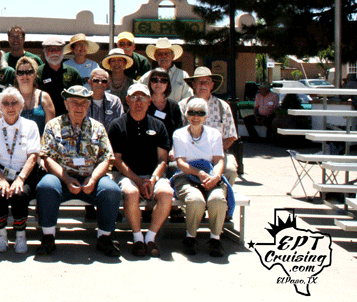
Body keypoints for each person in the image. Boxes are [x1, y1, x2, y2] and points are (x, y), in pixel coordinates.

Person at [35, 86, 121, 257]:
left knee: (112, 190)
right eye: (74, 103)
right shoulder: (53, 125)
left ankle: (104, 237)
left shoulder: (98, 127)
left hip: (91, 178)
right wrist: (66, 179)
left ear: (88, 105)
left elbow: (106, 158)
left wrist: (94, 179)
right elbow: (47, 158)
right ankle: (48, 237)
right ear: (66, 104)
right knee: (45, 186)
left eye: (83, 103)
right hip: (62, 179)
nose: (79, 107)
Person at [107, 84, 173, 258]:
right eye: (134, 97)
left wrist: (152, 179)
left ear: (149, 101)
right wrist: (138, 180)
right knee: (131, 193)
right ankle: (137, 238)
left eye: (143, 97)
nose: (138, 101)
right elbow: (117, 160)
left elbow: (162, 159)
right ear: (127, 100)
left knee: (166, 193)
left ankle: (150, 238)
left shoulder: (158, 125)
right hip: (126, 175)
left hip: (153, 175)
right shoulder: (117, 125)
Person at [0, 87, 41, 254]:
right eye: (6, 103)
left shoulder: (30, 126)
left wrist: (20, 179)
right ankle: (1, 234)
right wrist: (1, 179)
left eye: (14, 103)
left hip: (24, 174)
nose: (10, 107)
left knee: (20, 194)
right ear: (0, 107)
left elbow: (33, 156)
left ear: (21, 106)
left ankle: (20, 235)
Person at [172, 97, 230, 258]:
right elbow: (181, 164)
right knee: (196, 200)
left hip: (211, 176)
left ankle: (215, 239)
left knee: (217, 199)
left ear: (206, 117)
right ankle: (190, 237)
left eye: (200, 113)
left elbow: (219, 161)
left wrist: (216, 177)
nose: (195, 117)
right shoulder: (179, 134)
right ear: (186, 114)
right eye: (192, 113)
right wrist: (199, 173)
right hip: (187, 176)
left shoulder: (215, 134)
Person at [179, 67, 239, 182]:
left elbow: (231, 136)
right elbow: (177, 134)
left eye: (206, 81)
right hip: (189, 155)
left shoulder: (223, 106)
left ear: (212, 85)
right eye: (199, 82)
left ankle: (222, 196)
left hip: (217, 155)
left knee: (230, 170)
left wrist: (213, 153)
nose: (203, 85)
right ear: (193, 85)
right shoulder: (183, 105)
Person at [37, 36, 83, 117]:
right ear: (44, 52)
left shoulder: (73, 73)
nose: (55, 53)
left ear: (63, 52)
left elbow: (80, 98)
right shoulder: (37, 73)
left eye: (58, 50)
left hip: (68, 120)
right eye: (51, 50)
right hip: (44, 119)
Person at [140, 38, 192, 102]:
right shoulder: (147, 77)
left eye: (167, 53)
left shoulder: (183, 76)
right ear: (155, 57)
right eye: (160, 54)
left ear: (172, 56)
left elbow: (188, 99)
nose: (164, 56)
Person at [13, 56, 55, 135]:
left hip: (40, 144)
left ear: (35, 74)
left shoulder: (44, 97)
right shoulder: (9, 98)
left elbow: (50, 130)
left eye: (29, 72)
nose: (24, 76)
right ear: (16, 75)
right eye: (20, 73)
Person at [145, 67, 183, 140]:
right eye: (155, 80)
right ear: (150, 82)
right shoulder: (144, 104)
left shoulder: (174, 106)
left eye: (163, 80)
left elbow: (179, 131)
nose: (159, 84)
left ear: (167, 84)